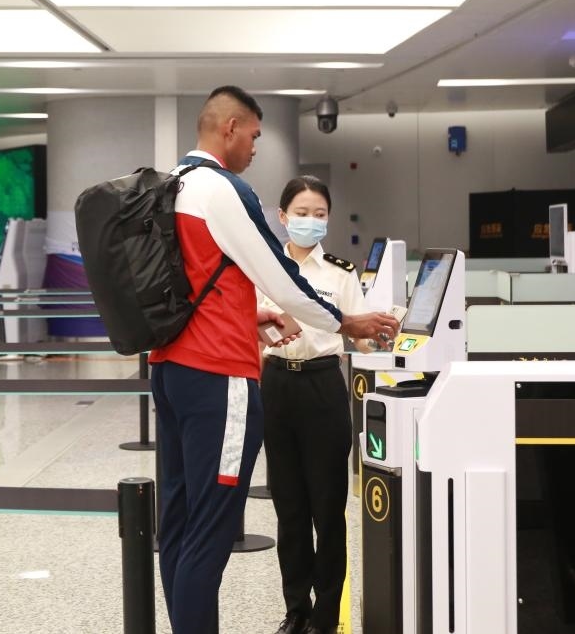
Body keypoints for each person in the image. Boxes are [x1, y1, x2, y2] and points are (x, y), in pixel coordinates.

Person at [148, 86, 399, 634]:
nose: (256, 147)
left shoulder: (173, 184)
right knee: (211, 532)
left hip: (170, 368)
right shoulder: (222, 188)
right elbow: (281, 278)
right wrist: (346, 322)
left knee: (180, 524)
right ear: (230, 128)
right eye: (255, 135)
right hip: (218, 376)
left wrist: (250, 316)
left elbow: (198, 286)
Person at [259, 176, 375, 634]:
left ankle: (326, 615)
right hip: (276, 386)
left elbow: (360, 333)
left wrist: (386, 339)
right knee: (289, 508)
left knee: (327, 509)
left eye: (320, 214)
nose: (311, 221)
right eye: (302, 213)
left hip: (323, 386)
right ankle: (296, 610)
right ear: (283, 216)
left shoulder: (341, 273)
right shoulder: (265, 267)